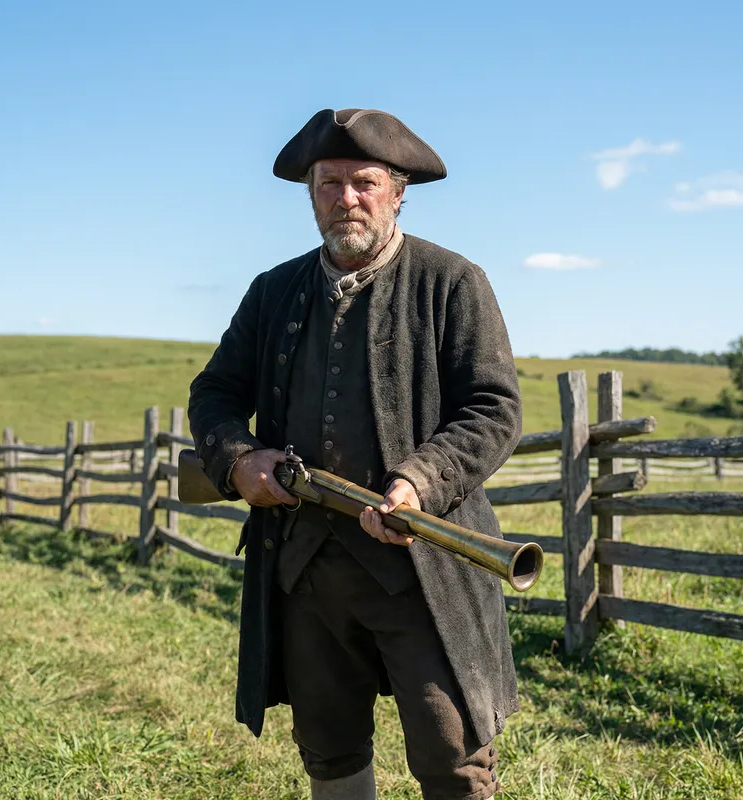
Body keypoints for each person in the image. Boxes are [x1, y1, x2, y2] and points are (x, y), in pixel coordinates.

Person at [188, 108, 522, 800]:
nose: (346, 198)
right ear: (309, 192)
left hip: (424, 571)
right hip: (305, 570)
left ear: (398, 192)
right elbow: (215, 394)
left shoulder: (454, 282)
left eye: (364, 182)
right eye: (329, 182)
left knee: (452, 756)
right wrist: (238, 460)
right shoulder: (273, 292)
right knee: (329, 752)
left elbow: (494, 409)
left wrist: (419, 481)